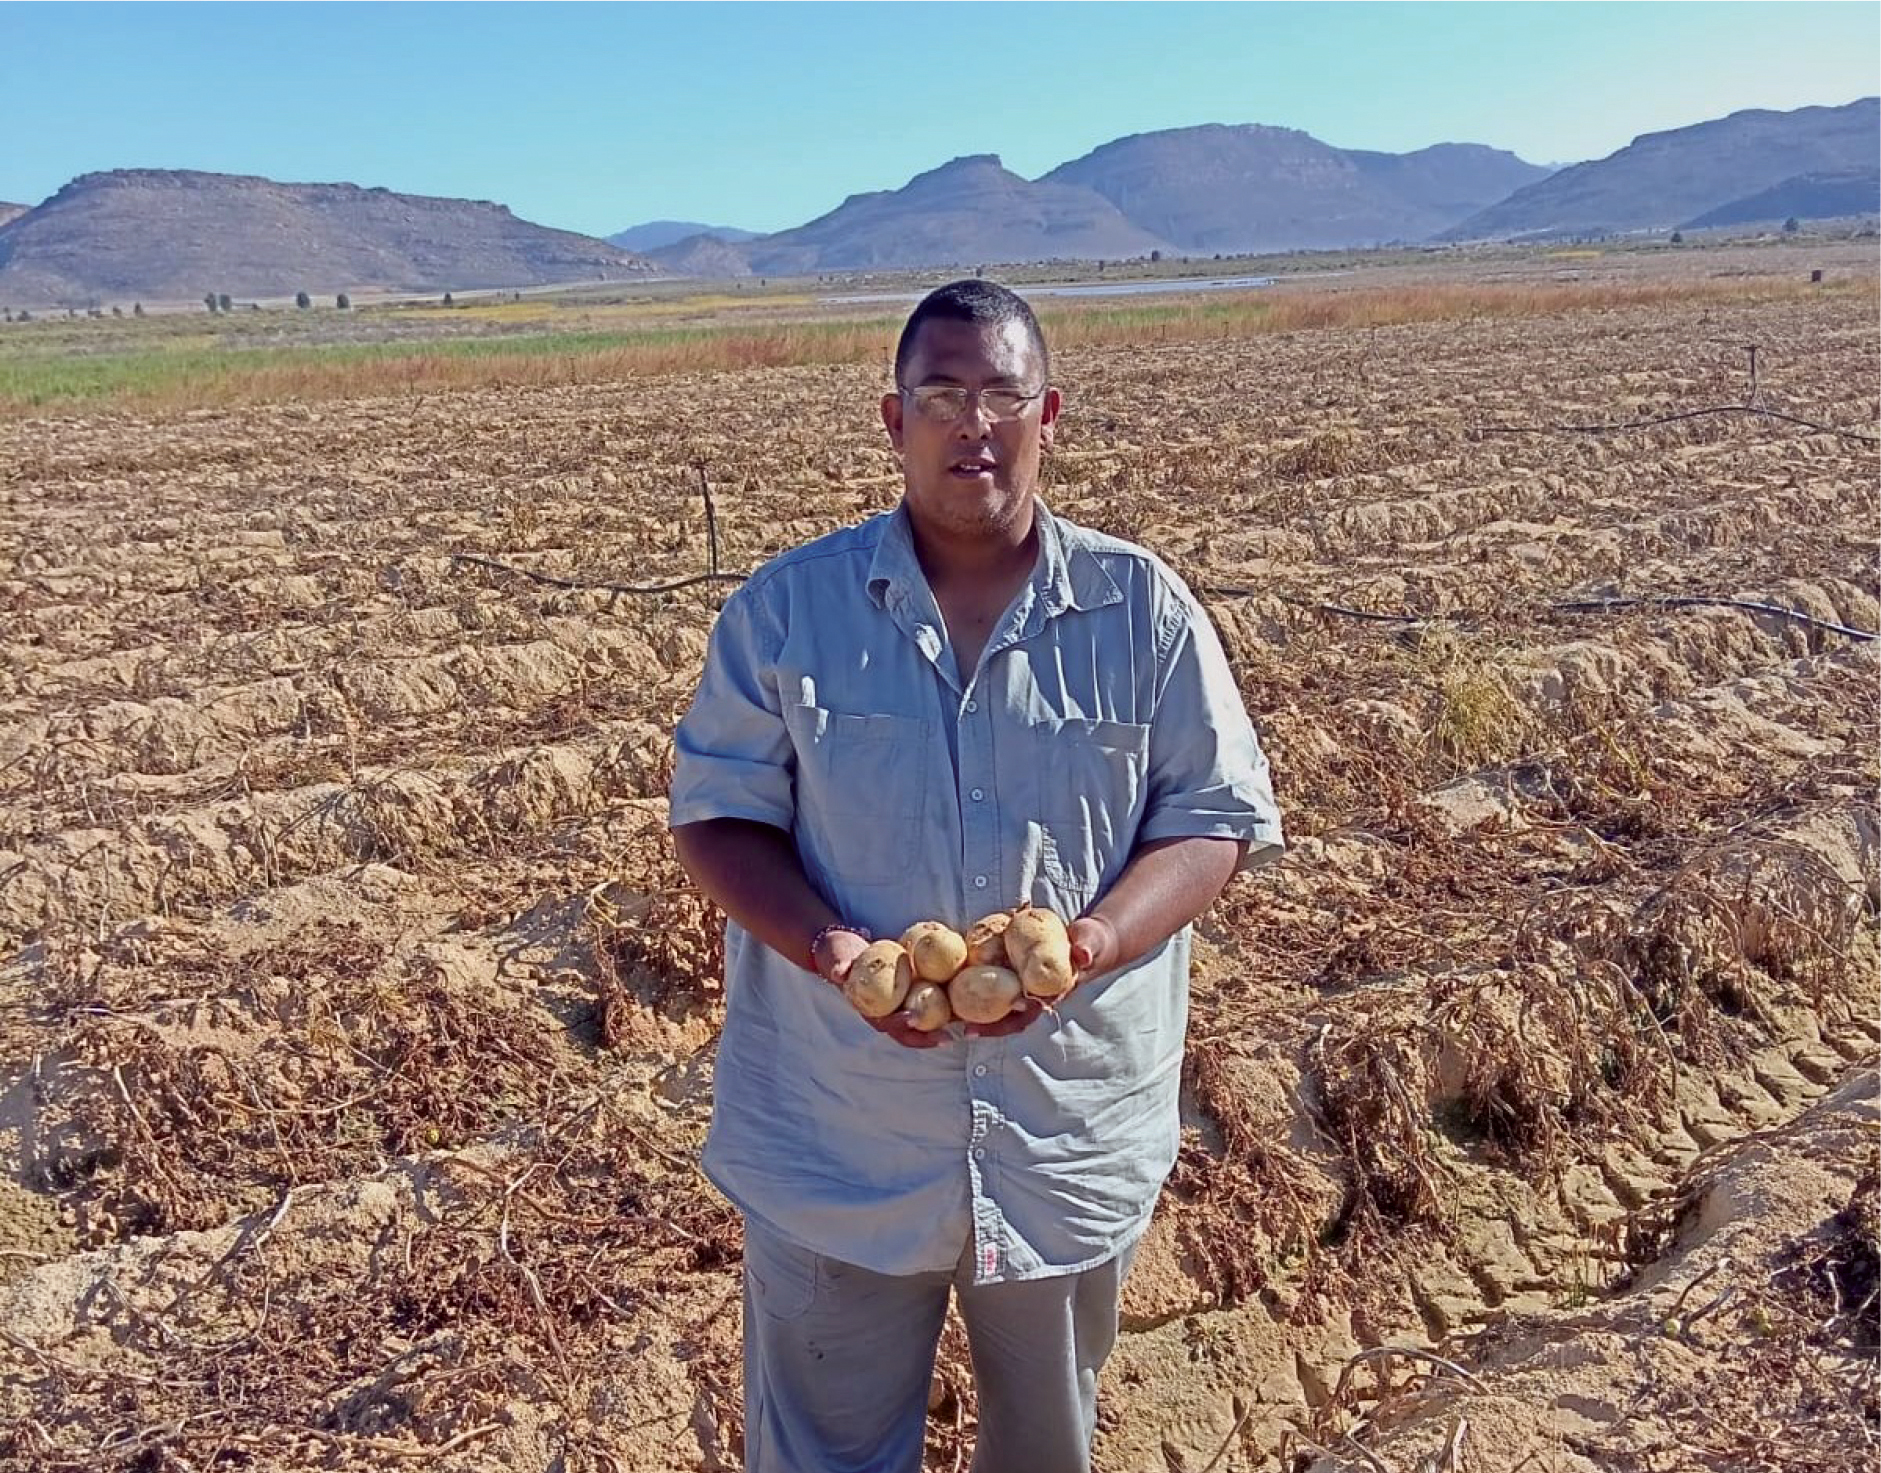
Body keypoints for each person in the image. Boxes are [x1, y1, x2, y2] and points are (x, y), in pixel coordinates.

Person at [668, 278, 1284, 1473]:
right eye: (942, 395)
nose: (975, 425)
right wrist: (831, 950)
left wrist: (1098, 941)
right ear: (892, 419)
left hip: (1063, 1135)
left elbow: (1212, 819)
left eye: (1003, 395)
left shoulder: (1142, 610)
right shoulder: (788, 613)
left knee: (1045, 1453)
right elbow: (717, 818)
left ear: (1050, 415)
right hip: (839, 1135)